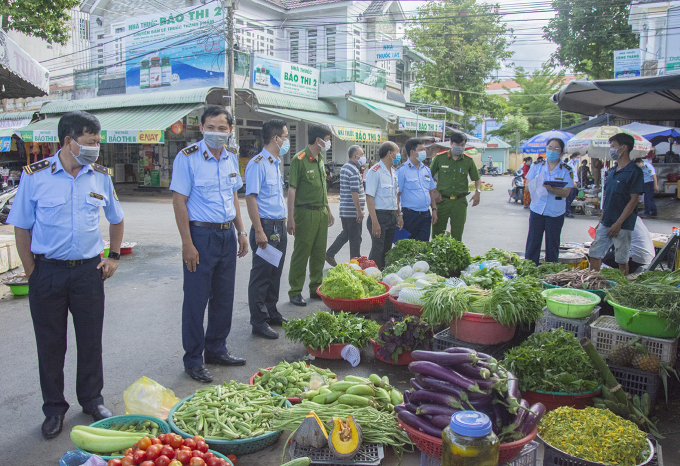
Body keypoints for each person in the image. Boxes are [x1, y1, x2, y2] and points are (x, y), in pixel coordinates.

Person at [8, 111, 124, 438]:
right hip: (48, 272)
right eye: (89, 143)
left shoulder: (100, 175)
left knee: (90, 341)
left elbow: (117, 218)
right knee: (50, 344)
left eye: (98, 142)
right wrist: (33, 272)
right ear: (68, 141)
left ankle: (91, 399)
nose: (95, 149)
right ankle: (54, 409)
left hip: (89, 272)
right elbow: (21, 227)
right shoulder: (35, 175)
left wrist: (113, 256)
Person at [170, 105, 249, 383]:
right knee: (195, 300)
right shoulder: (187, 157)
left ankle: (216, 349)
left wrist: (241, 231)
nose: (217, 132)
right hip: (200, 237)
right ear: (202, 128)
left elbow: (234, 197)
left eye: (222, 128)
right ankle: (193, 358)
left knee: (223, 297)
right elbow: (179, 201)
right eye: (211, 127)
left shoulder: (230, 157)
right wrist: (187, 243)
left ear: (230, 130)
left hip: (227, 235)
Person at [245, 119, 289, 340]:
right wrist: (259, 230)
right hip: (266, 227)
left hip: (278, 226)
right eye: (286, 136)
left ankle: (271, 312)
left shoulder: (274, 163)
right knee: (261, 275)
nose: (287, 140)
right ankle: (258, 320)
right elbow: (251, 198)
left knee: (275, 273)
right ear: (276, 138)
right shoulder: (258, 163)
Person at [287, 124, 335, 306]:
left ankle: (316, 287)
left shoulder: (320, 158)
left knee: (318, 252)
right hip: (305, 212)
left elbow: (322, 188)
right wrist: (290, 218)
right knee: (302, 252)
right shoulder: (299, 159)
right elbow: (292, 189)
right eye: (328, 139)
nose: (328, 143)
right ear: (319, 140)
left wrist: (328, 210)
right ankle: (295, 291)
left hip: (321, 212)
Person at [589, 133, 645, 275]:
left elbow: (633, 200)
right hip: (606, 221)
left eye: (613, 146)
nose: (611, 150)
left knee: (621, 258)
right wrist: (601, 220)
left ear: (624, 147)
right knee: (595, 253)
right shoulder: (612, 171)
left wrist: (619, 223)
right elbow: (608, 198)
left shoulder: (635, 172)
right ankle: (592, 282)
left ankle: (621, 287)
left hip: (623, 224)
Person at [524, 138, 574, 265]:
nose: (552, 151)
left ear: (562, 152)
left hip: (555, 212)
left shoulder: (566, 170)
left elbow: (566, 192)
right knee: (533, 242)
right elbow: (527, 185)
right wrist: (536, 185)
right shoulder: (537, 166)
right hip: (537, 209)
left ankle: (550, 271)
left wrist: (551, 189)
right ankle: (530, 268)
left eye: (556, 148)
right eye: (549, 147)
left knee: (552, 244)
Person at [430, 133, 481, 241]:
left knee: (457, 235)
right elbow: (428, 177)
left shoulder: (468, 161)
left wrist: (478, 192)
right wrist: (434, 191)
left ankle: (455, 257)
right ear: (451, 144)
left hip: (460, 202)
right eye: (457, 145)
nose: (460, 147)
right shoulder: (440, 158)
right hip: (442, 201)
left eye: (462, 145)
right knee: (437, 234)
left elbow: (476, 178)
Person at [326, 145, 366, 265]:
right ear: (355, 156)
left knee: (347, 234)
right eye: (362, 154)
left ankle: (330, 253)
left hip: (346, 210)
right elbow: (354, 192)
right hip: (352, 211)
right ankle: (355, 264)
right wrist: (358, 210)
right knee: (355, 239)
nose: (364, 157)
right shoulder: (353, 170)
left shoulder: (345, 167)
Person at [365, 141, 402, 269]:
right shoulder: (375, 171)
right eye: (397, 151)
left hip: (391, 216)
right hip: (379, 216)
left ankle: (382, 278)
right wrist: (375, 222)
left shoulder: (393, 171)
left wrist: (399, 214)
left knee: (387, 251)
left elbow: (395, 196)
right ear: (389, 153)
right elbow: (369, 197)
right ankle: (371, 277)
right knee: (377, 250)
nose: (399, 154)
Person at [397, 138, 438, 241]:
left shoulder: (426, 169)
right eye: (422, 149)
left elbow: (431, 191)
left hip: (425, 214)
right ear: (412, 152)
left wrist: (434, 209)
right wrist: (399, 214)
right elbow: (397, 195)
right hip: (409, 215)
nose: (425, 152)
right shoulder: (402, 171)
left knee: (424, 246)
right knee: (408, 246)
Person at [564, 152, 580, 218]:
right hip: (571, 183)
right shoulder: (569, 164)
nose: (579, 159)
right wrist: (572, 181)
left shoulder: (574, 164)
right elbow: (569, 174)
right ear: (574, 157)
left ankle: (567, 211)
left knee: (573, 196)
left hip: (575, 182)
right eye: (578, 157)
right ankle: (567, 212)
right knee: (569, 198)